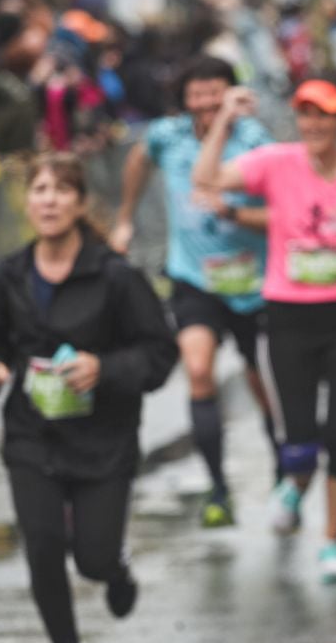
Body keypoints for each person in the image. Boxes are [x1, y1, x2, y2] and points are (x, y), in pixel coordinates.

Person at [0, 152, 178, 643]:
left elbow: (158, 354)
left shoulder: (115, 276)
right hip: (33, 438)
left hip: (103, 439)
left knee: (91, 556)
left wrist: (103, 369)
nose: (50, 200)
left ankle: (114, 571)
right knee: (42, 547)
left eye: (62, 190)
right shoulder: (9, 275)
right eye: (39, 190)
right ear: (28, 202)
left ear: (81, 203)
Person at [192, 73, 336, 583]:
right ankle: (293, 487)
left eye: (325, 114)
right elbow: (207, 179)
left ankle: (331, 544)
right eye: (306, 113)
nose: (314, 124)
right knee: (300, 440)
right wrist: (222, 121)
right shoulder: (276, 163)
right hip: (288, 319)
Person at [110, 56, 278, 527]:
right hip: (193, 277)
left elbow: (280, 208)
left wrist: (235, 213)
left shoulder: (255, 141)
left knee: (262, 385)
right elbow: (138, 159)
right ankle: (218, 489)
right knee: (199, 371)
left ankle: (285, 467)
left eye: (215, 94)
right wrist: (125, 216)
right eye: (196, 96)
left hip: (253, 281)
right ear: (184, 102)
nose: (205, 104)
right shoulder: (167, 136)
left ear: (232, 94)